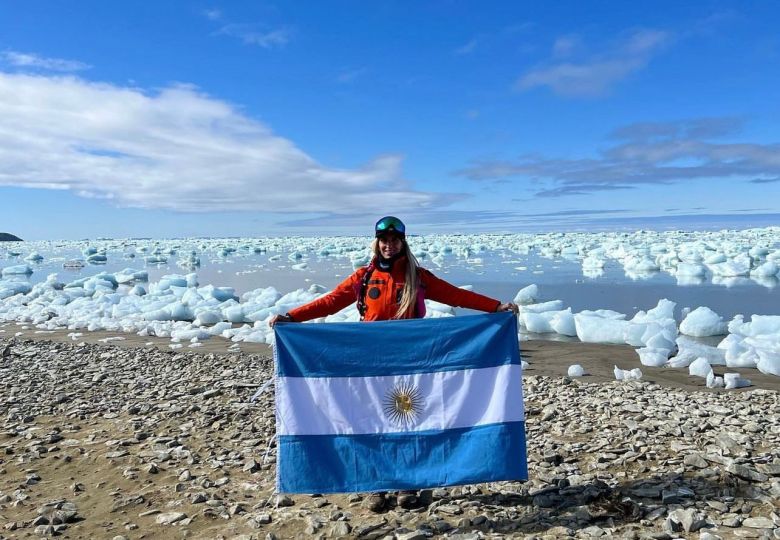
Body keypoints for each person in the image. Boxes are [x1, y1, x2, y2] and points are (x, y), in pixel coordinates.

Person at [269, 216, 519, 511]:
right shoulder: (363, 277)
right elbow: (331, 301)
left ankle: (407, 483)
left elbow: (456, 295)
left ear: (403, 243)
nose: (389, 245)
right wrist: (292, 317)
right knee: (372, 419)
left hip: (410, 362)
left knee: (408, 417)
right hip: (370, 364)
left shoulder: (418, 277)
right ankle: (378, 483)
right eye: (384, 241)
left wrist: (495, 307)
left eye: (395, 241)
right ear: (377, 243)